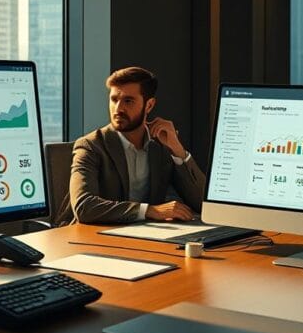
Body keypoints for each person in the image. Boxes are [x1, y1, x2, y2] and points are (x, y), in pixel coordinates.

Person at [56, 66, 206, 225]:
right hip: (95, 237)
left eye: (128, 101)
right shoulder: (91, 146)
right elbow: (84, 206)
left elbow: (203, 203)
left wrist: (178, 150)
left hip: (146, 236)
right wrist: (149, 211)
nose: (118, 108)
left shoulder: (161, 145)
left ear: (149, 105)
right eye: (114, 99)